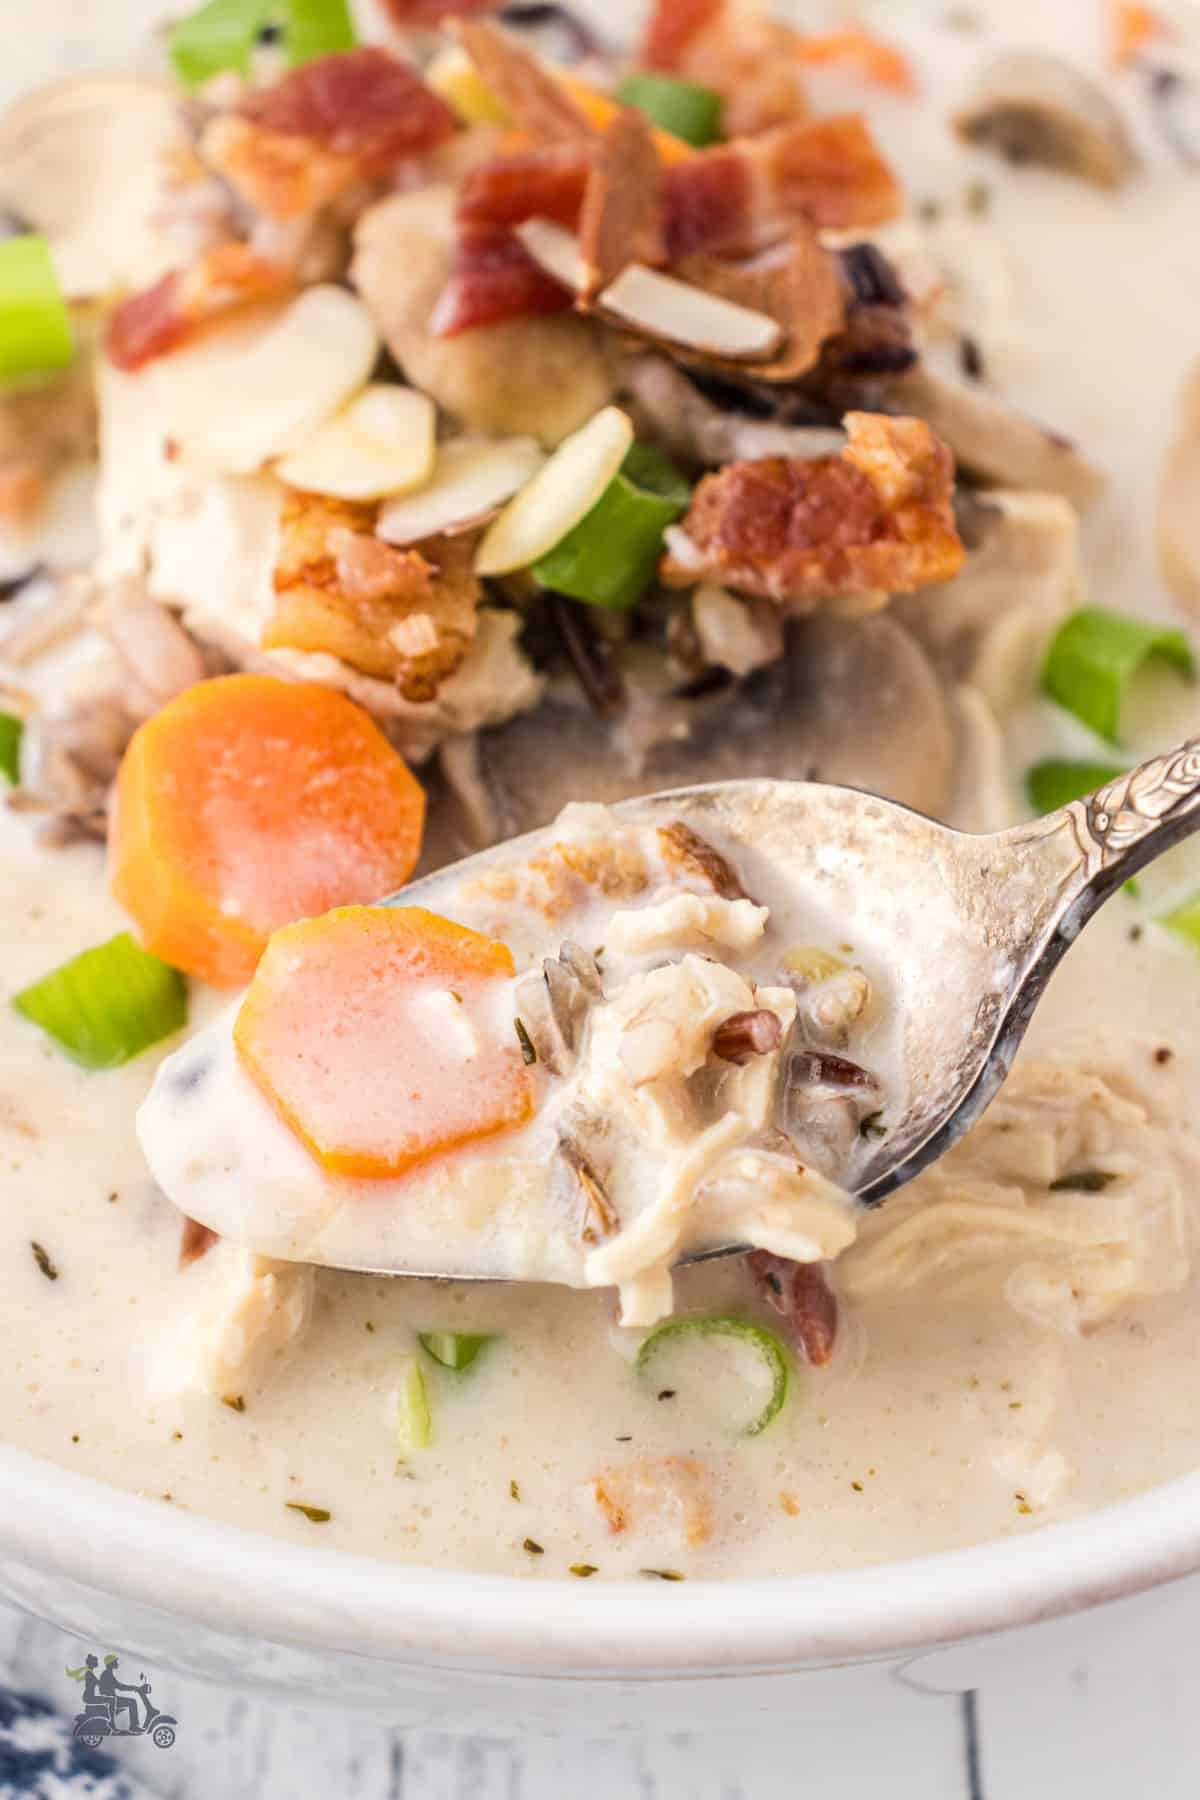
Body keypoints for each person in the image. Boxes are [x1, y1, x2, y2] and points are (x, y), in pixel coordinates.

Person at [97, 1654, 141, 1732]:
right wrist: (134, 1688)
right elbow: (119, 1687)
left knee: (131, 1702)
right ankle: (134, 1726)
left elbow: (118, 1686)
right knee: (132, 1702)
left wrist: (133, 1688)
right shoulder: (107, 1674)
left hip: (113, 1698)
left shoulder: (108, 1673)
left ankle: (133, 1726)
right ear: (111, 1663)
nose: (117, 1663)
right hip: (111, 1700)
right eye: (115, 1662)